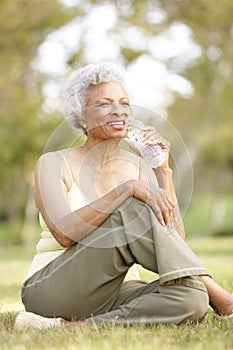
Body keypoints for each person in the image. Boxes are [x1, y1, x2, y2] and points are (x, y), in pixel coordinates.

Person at [15, 62, 233, 330]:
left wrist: (162, 172)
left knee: (193, 299)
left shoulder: (139, 169)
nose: (118, 110)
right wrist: (125, 189)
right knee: (131, 208)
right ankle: (224, 300)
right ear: (82, 117)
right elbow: (64, 233)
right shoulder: (53, 163)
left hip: (117, 291)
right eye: (104, 104)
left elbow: (174, 246)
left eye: (124, 103)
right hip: (52, 288)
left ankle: (73, 327)